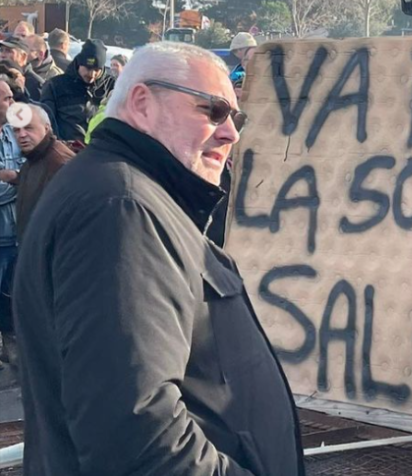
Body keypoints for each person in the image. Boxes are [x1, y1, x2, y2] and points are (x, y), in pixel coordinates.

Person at [14, 42, 303, 476]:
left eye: (236, 117)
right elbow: (135, 433)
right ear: (143, 103)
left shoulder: (127, 194)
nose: (231, 133)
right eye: (214, 111)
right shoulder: (121, 209)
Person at [11, 104, 74, 240]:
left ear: (46, 128)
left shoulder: (60, 163)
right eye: (16, 130)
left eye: (28, 128)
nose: (22, 135)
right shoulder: (32, 158)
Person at [40, 38, 114, 143]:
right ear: (79, 63)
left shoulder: (112, 86)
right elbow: (47, 122)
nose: (92, 75)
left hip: (100, 152)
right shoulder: (56, 86)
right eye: (88, 68)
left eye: (97, 70)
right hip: (67, 151)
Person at [0, 80, 23, 370]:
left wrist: (13, 176)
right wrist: (20, 179)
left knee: (12, 297)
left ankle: (12, 350)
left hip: (16, 233)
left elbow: (32, 173)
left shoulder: (14, 133)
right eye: (6, 98)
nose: (12, 102)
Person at [1, 37, 45, 102]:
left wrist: (21, 93)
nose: (2, 55)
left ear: (23, 57)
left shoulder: (36, 84)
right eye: (1, 50)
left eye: (9, 51)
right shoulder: (2, 76)